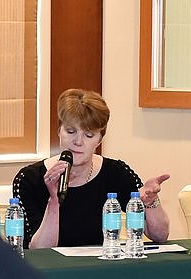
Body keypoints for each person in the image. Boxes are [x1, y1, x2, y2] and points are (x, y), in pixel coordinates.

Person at [13, 88, 170, 248]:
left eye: (89, 135)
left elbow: (160, 236)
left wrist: (151, 201)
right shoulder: (29, 179)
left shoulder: (116, 172)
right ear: (59, 131)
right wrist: (54, 200)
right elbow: (39, 251)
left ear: (99, 140)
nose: (78, 141)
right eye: (71, 131)